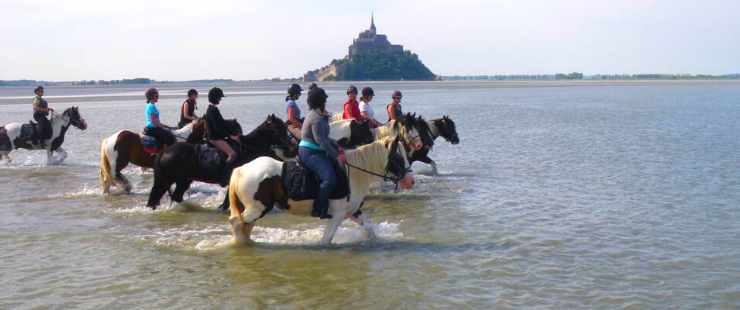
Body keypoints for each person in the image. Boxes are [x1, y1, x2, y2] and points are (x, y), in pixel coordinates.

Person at [299, 87, 348, 219]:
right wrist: (337, 156)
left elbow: (326, 138)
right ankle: (318, 208)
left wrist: (336, 145)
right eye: (324, 101)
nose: (325, 103)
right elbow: (320, 140)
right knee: (329, 178)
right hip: (310, 152)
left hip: (317, 150)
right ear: (320, 102)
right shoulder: (315, 118)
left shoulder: (320, 116)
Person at [204, 87, 238, 164]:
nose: (220, 99)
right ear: (215, 98)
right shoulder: (212, 110)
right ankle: (226, 174)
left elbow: (222, 123)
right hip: (214, 138)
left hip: (217, 137)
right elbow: (218, 128)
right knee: (232, 154)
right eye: (219, 98)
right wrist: (230, 136)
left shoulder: (214, 109)